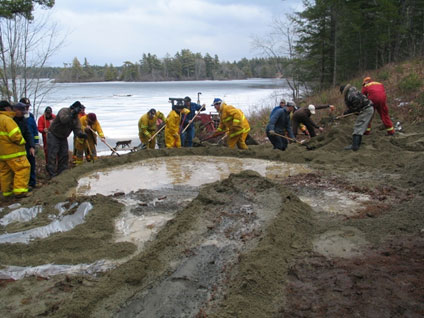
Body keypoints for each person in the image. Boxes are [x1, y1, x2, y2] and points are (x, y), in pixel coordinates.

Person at [46, 101, 86, 178]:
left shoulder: (76, 118)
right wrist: (72, 114)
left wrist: (81, 134)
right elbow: (63, 120)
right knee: (52, 154)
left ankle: (62, 174)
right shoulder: (64, 111)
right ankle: (52, 174)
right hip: (53, 134)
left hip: (63, 137)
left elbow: (77, 128)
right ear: (72, 108)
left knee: (64, 155)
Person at [0, 100, 31, 198]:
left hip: (2, 153)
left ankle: (7, 193)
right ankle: (20, 192)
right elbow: (15, 136)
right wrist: (22, 142)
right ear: (6, 108)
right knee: (23, 168)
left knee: (5, 172)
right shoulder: (7, 120)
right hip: (13, 152)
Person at [340, 84, 374, 151]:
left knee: (358, 126)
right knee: (360, 126)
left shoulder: (352, 95)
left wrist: (346, 113)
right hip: (367, 108)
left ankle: (355, 146)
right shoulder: (353, 91)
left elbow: (356, 105)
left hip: (366, 109)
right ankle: (357, 144)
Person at [19, 98, 39, 188]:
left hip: (31, 145)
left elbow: (34, 130)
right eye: (25, 107)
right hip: (21, 145)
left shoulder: (30, 116)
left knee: (32, 163)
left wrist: (36, 143)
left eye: (28, 107)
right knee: (23, 165)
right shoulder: (17, 117)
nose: (27, 108)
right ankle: (24, 184)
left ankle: (32, 182)